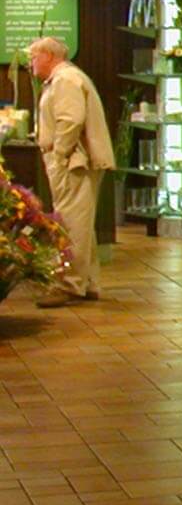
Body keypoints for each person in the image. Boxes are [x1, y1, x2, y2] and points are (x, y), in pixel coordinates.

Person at [29, 36, 113, 308]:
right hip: (72, 160)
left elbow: (70, 120)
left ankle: (69, 285)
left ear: (49, 56)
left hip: (73, 162)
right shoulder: (65, 78)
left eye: (35, 56)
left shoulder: (65, 79)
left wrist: (60, 154)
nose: (31, 62)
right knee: (80, 222)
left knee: (70, 223)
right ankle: (87, 283)